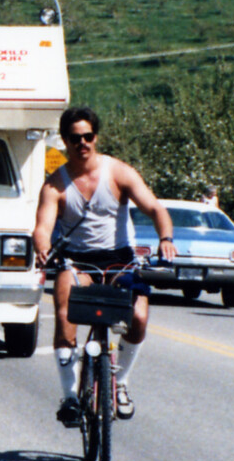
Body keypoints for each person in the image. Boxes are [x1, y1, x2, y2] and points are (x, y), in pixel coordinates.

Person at [34, 106, 176, 426]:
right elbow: (42, 228)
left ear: (95, 137)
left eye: (88, 136)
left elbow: (154, 207)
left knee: (139, 317)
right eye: (75, 138)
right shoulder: (55, 185)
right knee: (63, 312)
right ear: (65, 141)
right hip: (78, 260)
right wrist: (43, 249)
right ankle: (70, 396)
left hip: (120, 258)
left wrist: (165, 237)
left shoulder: (118, 172)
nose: (82, 143)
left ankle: (121, 382)